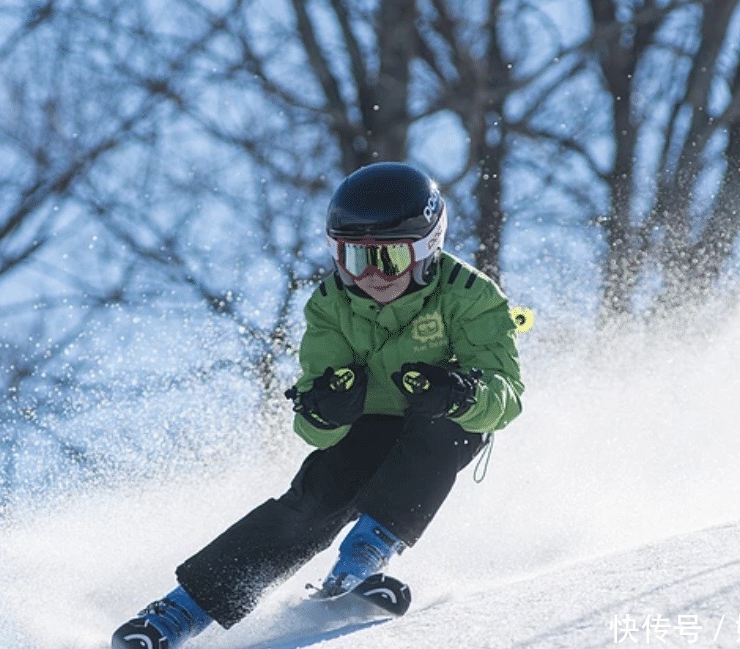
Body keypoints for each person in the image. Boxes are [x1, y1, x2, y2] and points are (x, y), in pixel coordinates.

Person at [112, 162, 524, 649]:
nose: (371, 275)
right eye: (353, 258)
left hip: (445, 421)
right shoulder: (330, 304)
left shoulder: (470, 297)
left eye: (388, 259)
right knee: (317, 497)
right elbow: (313, 429)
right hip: (369, 424)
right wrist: (325, 410)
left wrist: (461, 392)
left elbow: (507, 395)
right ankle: (178, 613)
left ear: (427, 247)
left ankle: (362, 560)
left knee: (439, 430)